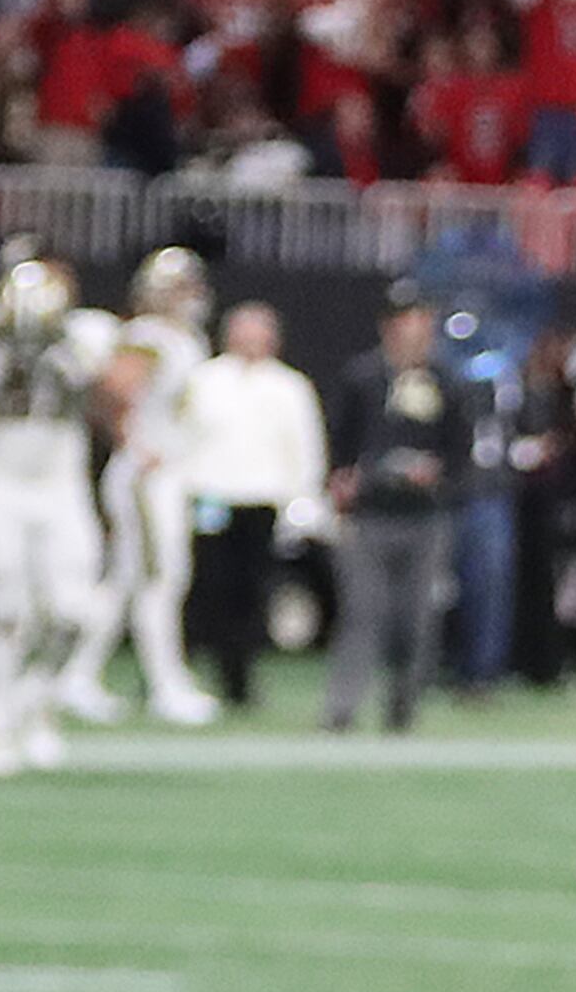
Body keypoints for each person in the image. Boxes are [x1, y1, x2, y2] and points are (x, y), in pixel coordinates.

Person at [0, 256, 132, 776]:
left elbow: (119, 400)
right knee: (5, 609)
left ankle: (35, 705)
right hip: (0, 485)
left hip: (59, 486)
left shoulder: (86, 333)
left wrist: (76, 361)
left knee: (76, 613)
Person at [325, 287, 469, 733]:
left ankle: (403, 710)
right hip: (371, 514)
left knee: (418, 620)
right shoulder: (364, 378)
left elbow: (461, 452)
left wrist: (439, 476)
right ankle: (341, 710)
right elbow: (340, 441)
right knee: (363, 614)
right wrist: (343, 479)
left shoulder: (446, 382)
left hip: (425, 515)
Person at [174, 302, 329, 710]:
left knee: (249, 593)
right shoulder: (205, 379)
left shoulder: (289, 387)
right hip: (211, 496)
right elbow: (182, 438)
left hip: (261, 500)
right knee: (205, 587)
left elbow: (305, 448)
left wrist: (303, 502)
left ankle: (239, 681)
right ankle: (176, 672)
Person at [94, 246, 223, 726]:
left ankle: (75, 675)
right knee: (161, 580)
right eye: (180, 287)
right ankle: (166, 684)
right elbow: (114, 388)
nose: (190, 296)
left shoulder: (182, 337)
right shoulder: (147, 336)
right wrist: (131, 440)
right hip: (148, 475)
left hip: (168, 470)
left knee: (127, 582)